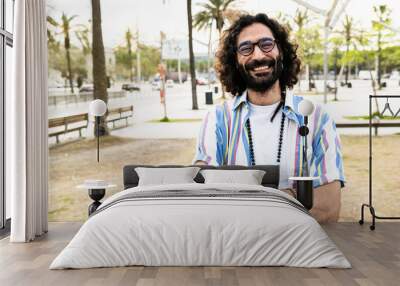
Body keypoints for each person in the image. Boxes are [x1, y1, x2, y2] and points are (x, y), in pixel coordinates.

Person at [193, 13, 345, 223]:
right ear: (235, 60)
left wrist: (246, 204)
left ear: (280, 50)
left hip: (296, 251)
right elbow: (205, 200)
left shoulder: (317, 118)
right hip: (236, 252)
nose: (257, 56)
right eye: (246, 48)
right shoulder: (217, 120)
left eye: (266, 44)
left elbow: (328, 209)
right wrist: (291, 197)